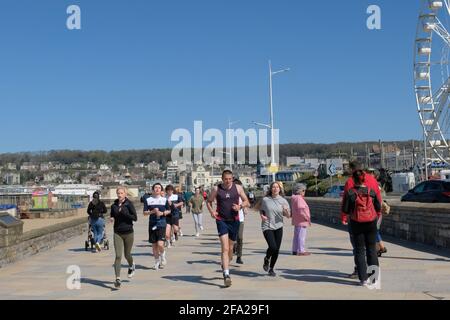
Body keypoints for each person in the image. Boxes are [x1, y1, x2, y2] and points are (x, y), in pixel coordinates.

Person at [207, 170, 249, 287]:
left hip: (234, 220)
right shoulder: (217, 189)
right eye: (226, 179)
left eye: (230, 179)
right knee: (224, 248)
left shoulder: (238, 188)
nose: (228, 181)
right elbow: (209, 201)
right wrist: (212, 212)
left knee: (230, 249)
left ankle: (225, 263)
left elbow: (247, 202)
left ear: (232, 178)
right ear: (222, 178)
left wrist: (240, 206)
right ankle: (226, 274)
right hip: (221, 220)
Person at [341, 160, 382, 279]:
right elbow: (378, 199)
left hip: (356, 220)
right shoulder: (373, 180)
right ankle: (374, 277)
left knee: (358, 249)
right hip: (371, 219)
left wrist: (344, 217)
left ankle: (361, 275)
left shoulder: (350, 182)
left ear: (352, 170)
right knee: (371, 249)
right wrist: (377, 214)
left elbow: (345, 203)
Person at [259, 181, 291, 277]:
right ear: (271, 189)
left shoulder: (283, 201)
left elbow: (288, 216)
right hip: (267, 226)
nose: (275, 188)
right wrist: (262, 216)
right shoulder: (265, 200)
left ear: (280, 189)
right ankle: (267, 258)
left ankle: (271, 268)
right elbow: (261, 210)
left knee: (276, 250)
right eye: (273, 187)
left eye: (277, 187)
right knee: (272, 247)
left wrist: (285, 210)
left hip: (278, 226)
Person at [110, 187, 137, 289]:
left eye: (121, 193)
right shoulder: (114, 205)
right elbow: (112, 215)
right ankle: (117, 279)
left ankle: (131, 265)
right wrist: (112, 218)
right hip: (117, 232)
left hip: (129, 232)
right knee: (118, 256)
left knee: (127, 254)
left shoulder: (129, 204)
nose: (119, 195)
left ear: (125, 194)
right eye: (118, 193)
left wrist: (124, 213)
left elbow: (135, 218)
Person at [144, 183, 171, 270]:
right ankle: (156, 262)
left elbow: (169, 210)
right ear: (152, 190)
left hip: (162, 223)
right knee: (154, 245)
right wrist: (152, 212)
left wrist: (162, 213)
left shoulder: (164, 200)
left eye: (159, 188)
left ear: (161, 190)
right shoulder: (148, 200)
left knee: (160, 244)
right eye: (155, 187)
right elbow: (144, 213)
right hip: (152, 223)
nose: (157, 189)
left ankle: (163, 256)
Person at [291, 184, 311, 256]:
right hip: (302, 220)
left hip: (297, 220)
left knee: (296, 235)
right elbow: (301, 208)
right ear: (300, 191)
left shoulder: (294, 198)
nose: (304, 192)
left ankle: (295, 250)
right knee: (301, 236)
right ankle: (301, 251)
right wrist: (306, 217)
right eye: (303, 190)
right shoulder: (299, 198)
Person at [232, 179, 247, 265]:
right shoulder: (230, 195)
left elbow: (246, 203)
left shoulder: (242, 195)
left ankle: (239, 256)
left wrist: (244, 208)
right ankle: (233, 246)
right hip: (231, 219)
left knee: (240, 237)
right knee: (232, 238)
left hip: (240, 219)